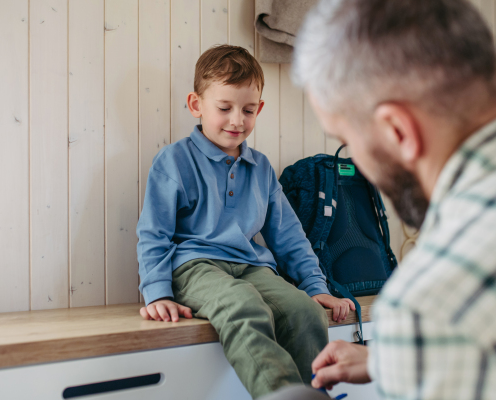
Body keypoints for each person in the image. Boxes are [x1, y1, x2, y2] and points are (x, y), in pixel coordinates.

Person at [260, 0, 496, 399]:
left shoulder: (428, 305)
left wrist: (412, 350)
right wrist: (388, 360)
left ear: (397, 130)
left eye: (349, 141)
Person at [136, 44, 354, 399]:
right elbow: (153, 233)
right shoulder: (174, 161)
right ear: (196, 105)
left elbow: (288, 235)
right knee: (244, 305)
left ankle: (319, 393)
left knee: (305, 313)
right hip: (195, 266)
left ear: (259, 109)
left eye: (248, 110)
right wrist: (156, 291)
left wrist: (316, 287)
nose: (237, 120)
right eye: (225, 108)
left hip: (251, 266)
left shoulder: (261, 167)